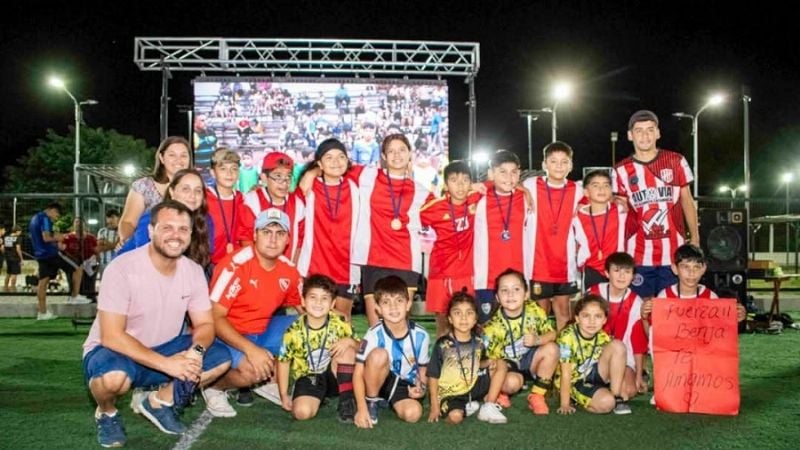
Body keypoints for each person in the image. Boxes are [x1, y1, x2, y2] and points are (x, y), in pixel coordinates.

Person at [81, 201, 232, 447]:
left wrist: (196, 352)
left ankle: (160, 401)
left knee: (219, 357)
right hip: (116, 351)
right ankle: (106, 412)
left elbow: (205, 324)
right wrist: (168, 365)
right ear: (151, 231)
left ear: (191, 235)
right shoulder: (122, 268)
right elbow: (111, 336)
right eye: (167, 228)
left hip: (163, 348)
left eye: (183, 229)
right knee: (114, 379)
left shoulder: (193, 271)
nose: (176, 235)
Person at [203, 208, 303, 417]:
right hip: (226, 334)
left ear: (287, 240)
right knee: (252, 372)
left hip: (261, 329)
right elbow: (214, 317)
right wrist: (251, 350)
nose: (273, 240)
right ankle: (214, 385)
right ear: (255, 235)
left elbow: (305, 307)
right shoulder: (235, 265)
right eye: (267, 232)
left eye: (280, 233)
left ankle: (267, 379)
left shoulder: (289, 270)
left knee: (309, 327)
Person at [614, 110, 700, 301]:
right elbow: (619, 210)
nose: (645, 136)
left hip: (673, 254)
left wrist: (695, 237)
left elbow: (687, 200)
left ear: (658, 133)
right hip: (638, 254)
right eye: (639, 131)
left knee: (671, 306)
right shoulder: (621, 170)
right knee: (642, 308)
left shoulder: (676, 161)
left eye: (650, 130)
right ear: (630, 135)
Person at [352, 134, 432, 326]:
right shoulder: (367, 176)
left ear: (410, 154)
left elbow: (446, 208)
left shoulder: (421, 191)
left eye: (402, 150)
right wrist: (310, 175)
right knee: (376, 327)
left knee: (399, 324)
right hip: (374, 259)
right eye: (391, 151)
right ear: (383, 156)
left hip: (405, 261)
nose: (397, 155)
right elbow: (333, 164)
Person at [277, 274, 358, 423]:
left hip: (334, 376)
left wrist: (350, 341)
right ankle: (316, 397)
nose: (318, 303)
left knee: (348, 350)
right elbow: (283, 362)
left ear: (333, 303)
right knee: (301, 413)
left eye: (324, 298)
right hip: (308, 378)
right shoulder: (293, 331)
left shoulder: (340, 323)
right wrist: (283, 394)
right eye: (313, 297)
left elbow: (361, 348)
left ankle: (346, 400)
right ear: (303, 301)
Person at [296, 139, 361, 321]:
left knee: (343, 319)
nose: (336, 162)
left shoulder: (355, 185)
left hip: (346, 266)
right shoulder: (311, 185)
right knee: (314, 319)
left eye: (341, 157)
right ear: (319, 163)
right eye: (329, 157)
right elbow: (299, 196)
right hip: (315, 264)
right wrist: (312, 173)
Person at [353, 276, 430, 428]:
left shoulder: (421, 335)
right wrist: (361, 409)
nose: (393, 307)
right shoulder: (373, 334)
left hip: (403, 385)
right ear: (377, 308)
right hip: (376, 380)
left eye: (399, 301)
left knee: (413, 414)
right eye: (386, 302)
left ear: (408, 304)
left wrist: (421, 388)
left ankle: (389, 402)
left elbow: (422, 368)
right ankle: (371, 401)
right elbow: (358, 372)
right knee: (379, 355)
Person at [523, 141, 583, 332]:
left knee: (563, 312)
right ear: (544, 164)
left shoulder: (578, 189)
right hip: (538, 263)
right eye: (553, 161)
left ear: (571, 165)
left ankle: (563, 349)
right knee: (540, 313)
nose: (559, 166)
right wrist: (522, 190)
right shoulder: (531, 185)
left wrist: (617, 199)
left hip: (564, 265)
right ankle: (542, 349)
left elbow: (601, 195)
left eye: (564, 162)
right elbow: (507, 183)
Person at [419, 160, 482, 336]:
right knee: (443, 325)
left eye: (465, 180)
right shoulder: (435, 207)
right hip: (441, 273)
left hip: (467, 273)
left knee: (472, 323)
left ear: (471, 182)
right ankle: (442, 354)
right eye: (454, 180)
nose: (460, 185)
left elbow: (498, 182)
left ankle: (472, 354)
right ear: (446, 185)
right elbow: (410, 219)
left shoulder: (476, 198)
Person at [482, 269, 558, 415]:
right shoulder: (492, 327)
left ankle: (537, 395)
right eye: (504, 290)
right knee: (512, 383)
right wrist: (498, 383)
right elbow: (492, 363)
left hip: (531, 359)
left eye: (516, 289)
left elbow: (553, 334)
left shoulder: (534, 309)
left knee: (552, 349)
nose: (510, 294)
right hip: (507, 365)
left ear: (526, 294)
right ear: (497, 297)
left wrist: (537, 340)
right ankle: (501, 392)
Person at [427, 291, 508, 425]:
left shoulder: (478, 341)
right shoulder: (443, 345)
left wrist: (488, 362)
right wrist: (434, 406)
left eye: (469, 313)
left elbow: (477, 364)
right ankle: (465, 407)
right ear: (450, 319)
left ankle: (488, 405)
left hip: (472, 385)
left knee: (501, 364)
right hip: (450, 393)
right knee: (455, 417)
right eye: (457, 313)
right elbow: (433, 376)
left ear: (475, 319)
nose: (464, 318)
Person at [473, 150, 534, 323]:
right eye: (502, 172)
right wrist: (473, 185)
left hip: (518, 278)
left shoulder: (526, 198)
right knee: (486, 328)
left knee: (517, 328)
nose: (509, 177)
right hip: (486, 278)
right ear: (491, 173)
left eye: (514, 172)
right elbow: (452, 191)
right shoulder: (479, 198)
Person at [117, 169, 213, 269]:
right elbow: (142, 258)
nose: (192, 195)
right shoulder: (154, 216)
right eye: (185, 189)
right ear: (172, 192)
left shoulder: (205, 220)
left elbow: (205, 256)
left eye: (198, 191)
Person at [556, 294, 632, 415]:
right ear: (577, 318)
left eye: (598, 316)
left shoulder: (602, 336)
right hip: (575, 381)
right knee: (606, 403)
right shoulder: (567, 337)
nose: (592, 321)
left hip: (593, 374)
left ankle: (617, 397)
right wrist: (564, 404)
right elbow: (566, 374)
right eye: (586, 316)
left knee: (618, 346)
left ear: (604, 320)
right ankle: (579, 400)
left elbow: (614, 361)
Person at [587, 252, 648, 400]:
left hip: (622, 357)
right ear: (607, 273)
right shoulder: (593, 293)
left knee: (628, 391)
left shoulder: (636, 303)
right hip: (592, 355)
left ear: (633, 277)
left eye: (627, 272)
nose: (622, 276)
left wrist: (639, 375)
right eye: (616, 271)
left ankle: (605, 386)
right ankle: (596, 384)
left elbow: (638, 343)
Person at [118, 136, 192, 248]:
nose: (178, 160)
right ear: (161, 158)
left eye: (184, 155)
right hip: (146, 249)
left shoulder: (196, 187)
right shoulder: (143, 186)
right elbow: (128, 222)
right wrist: (129, 243)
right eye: (172, 155)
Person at [641, 244, 747, 322]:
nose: (691, 273)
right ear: (675, 269)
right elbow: (655, 336)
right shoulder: (664, 296)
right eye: (685, 267)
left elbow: (719, 331)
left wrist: (735, 318)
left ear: (703, 269)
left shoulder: (711, 298)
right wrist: (644, 317)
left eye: (696, 267)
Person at [237, 151, 305, 261]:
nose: (284, 182)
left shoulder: (298, 204)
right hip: (258, 266)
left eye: (288, 177)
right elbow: (246, 239)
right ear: (264, 178)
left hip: (289, 266)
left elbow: (300, 242)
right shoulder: (252, 201)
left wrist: (293, 266)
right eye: (278, 176)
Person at [30, 202, 91, 320]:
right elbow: (46, 237)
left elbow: (40, 237)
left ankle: (42, 312)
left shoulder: (34, 218)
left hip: (41, 255)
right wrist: (58, 238)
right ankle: (74, 296)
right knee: (78, 268)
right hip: (51, 253)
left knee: (43, 282)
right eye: (56, 215)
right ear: (52, 210)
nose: (56, 218)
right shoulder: (45, 219)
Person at [574, 170, 628, 290]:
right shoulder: (576, 216)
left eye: (606, 185)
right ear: (586, 192)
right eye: (596, 185)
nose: (601, 189)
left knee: (617, 301)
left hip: (617, 268)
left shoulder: (621, 211)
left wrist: (616, 197)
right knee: (592, 301)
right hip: (591, 269)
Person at [206, 148, 245, 272]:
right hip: (209, 264)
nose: (229, 174)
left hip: (237, 264)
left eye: (234, 169)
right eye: (223, 169)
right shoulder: (204, 198)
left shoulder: (242, 199)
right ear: (213, 172)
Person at [96, 210, 120, 276]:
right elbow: (99, 247)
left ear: (118, 218)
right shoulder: (102, 231)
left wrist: (105, 242)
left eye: (112, 217)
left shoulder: (121, 230)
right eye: (108, 217)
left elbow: (120, 245)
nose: (110, 219)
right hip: (104, 263)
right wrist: (114, 245)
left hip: (118, 263)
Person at [3, 225, 23, 291]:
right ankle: (13, 288)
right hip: (15, 258)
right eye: (20, 231)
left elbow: (4, 248)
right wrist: (21, 258)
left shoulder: (6, 237)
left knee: (8, 273)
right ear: (17, 231)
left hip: (8, 258)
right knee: (14, 274)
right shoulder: (17, 238)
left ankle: (5, 287)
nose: (20, 233)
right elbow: (18, 249)